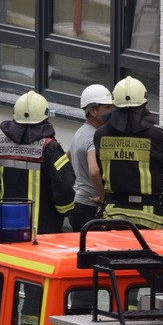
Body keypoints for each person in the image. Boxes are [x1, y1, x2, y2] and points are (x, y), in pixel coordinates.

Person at [0, 90, 76, 235]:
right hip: (43, 233)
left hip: (7, 229)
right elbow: (65, 186)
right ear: (45, 117)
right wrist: (64, 211)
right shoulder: (50, 148)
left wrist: (4, 205)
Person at [91, 76, 163, 229]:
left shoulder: (100, 135)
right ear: (144, 104)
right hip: (152, 220)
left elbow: (100, 169)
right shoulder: (157, 136)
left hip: (111, 218)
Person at [68, 84, 113, 232]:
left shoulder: (79, 133)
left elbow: (65, 158)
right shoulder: (94, 136)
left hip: (78, 204)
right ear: (93, 111)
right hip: (90, 208)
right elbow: (94, 171)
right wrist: (103, 197)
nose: (111, 111)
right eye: (107, 108)